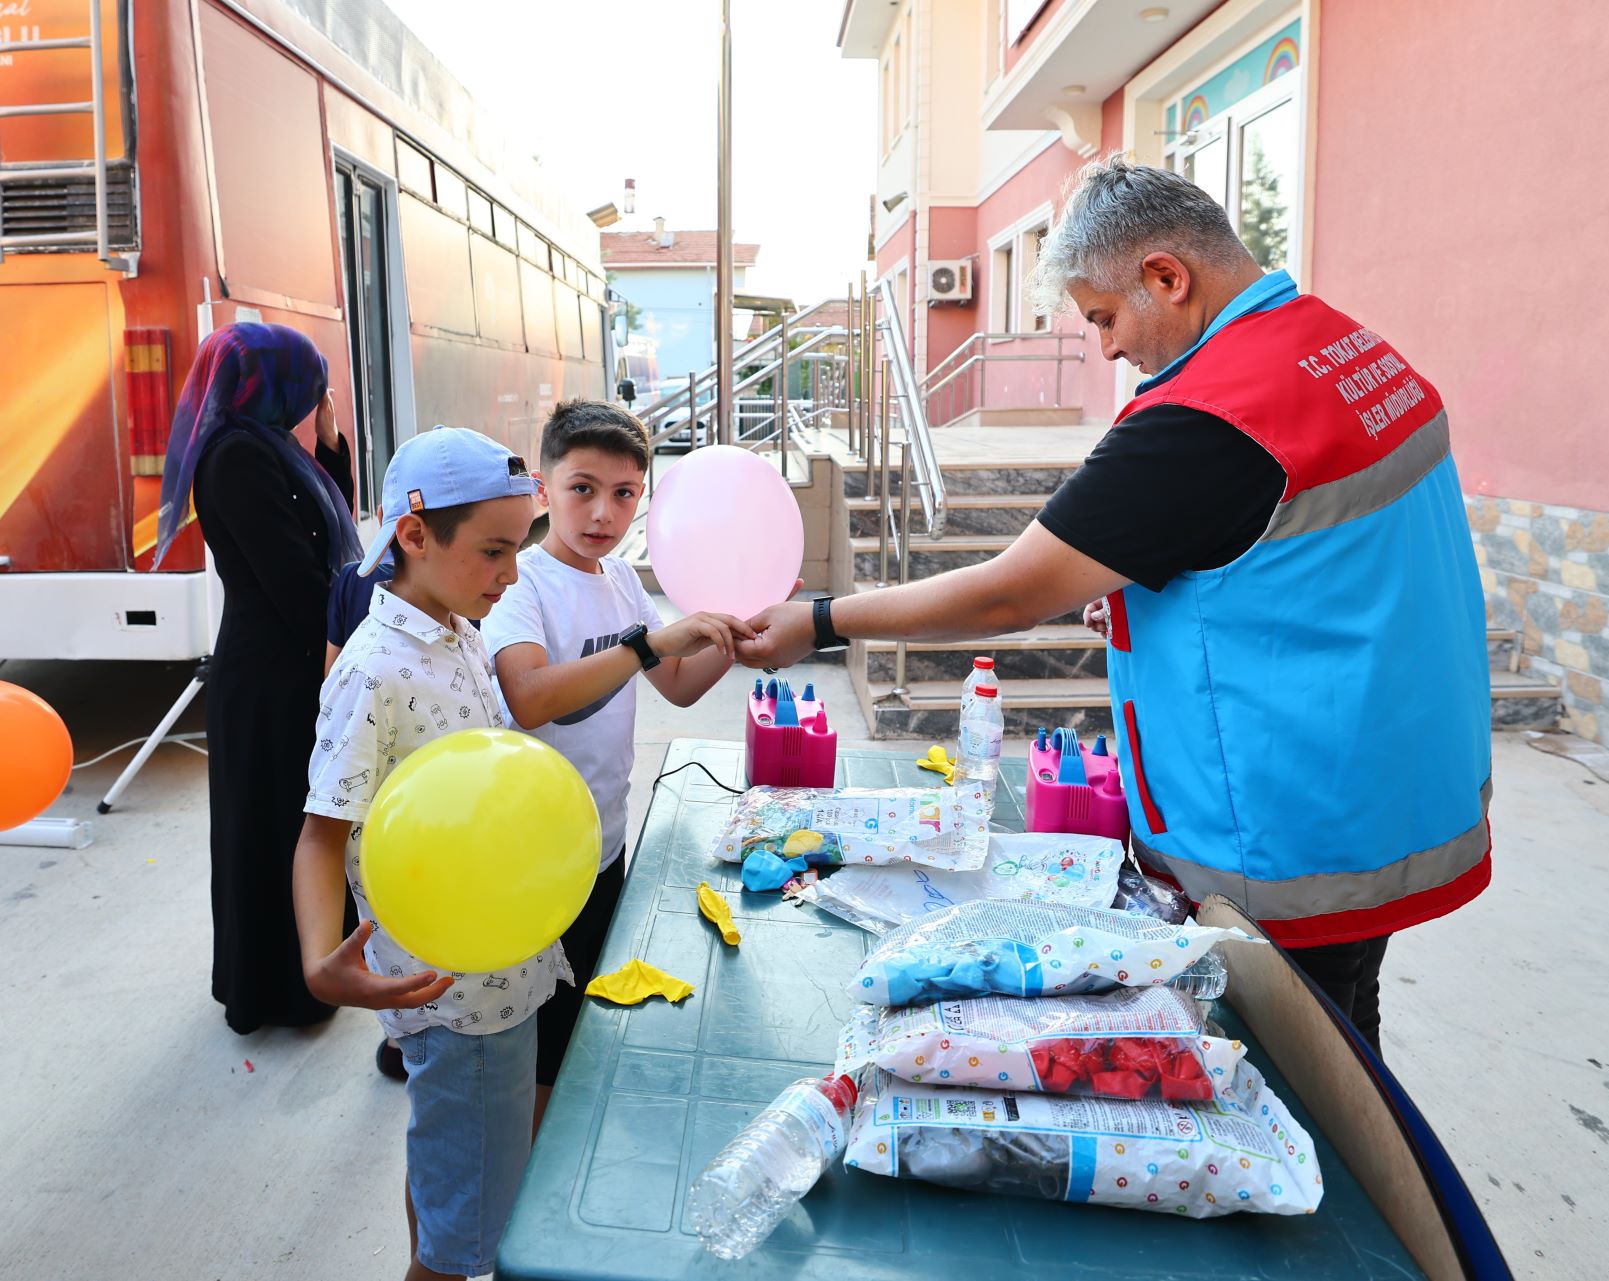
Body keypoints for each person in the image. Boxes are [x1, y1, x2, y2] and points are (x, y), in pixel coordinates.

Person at [736, 157, 1494, 1058]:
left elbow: (1011, 587)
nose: (1104, 347)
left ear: (1168, 277)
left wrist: (821, 619)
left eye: (1104, 316)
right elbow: (1307, 560)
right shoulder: (1346, 348)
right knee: (1354, 1043)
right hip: (1389, 782)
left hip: (1292, 830)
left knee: (1304, 1081)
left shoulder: (1211, 418)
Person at [292, 427, 611, 1281]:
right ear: (414, 533)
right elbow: (322, 832)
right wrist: (322, 962)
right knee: (469, 1226)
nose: (511, 574)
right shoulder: (376, 670)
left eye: (521, 548)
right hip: (457, 989)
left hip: (501, 963)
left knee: (452, 1178)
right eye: (496, 551)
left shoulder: (456, 625)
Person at [481, 399, 752, 1126]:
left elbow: (680, 686)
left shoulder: (621, 581)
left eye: (625, 493)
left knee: (579, 1025)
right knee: (536, 1039)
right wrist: (651, 645)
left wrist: (736, 628)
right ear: (544, 487)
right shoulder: (521, 583)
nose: (604, 511)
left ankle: (558, 1152)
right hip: (531, 858)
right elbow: (531, 697)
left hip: (602, 842)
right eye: (582, 487)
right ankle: (532, 1176)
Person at [153, 322, 361, 1035]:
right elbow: (295, 581)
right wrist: (349, 644)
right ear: (271, 384)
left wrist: (330, 443)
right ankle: (273, 990)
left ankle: (312, 973)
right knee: (272, 828)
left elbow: (324, 532)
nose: (314, 396)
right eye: (308, 384)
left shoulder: (269, 444)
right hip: (269, 676)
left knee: (300, 820)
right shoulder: (237, 454)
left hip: (291, 663)